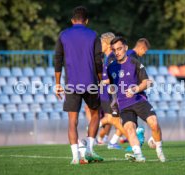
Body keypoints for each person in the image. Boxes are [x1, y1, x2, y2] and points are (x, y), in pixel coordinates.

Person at [54, 6, 103, 165]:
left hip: (71, 84)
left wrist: (57, 84)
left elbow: (58, 60)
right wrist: (101, 80)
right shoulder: (93, 35)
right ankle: (89, 149)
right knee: (95, 115)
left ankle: (75, 157)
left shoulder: (63, 35)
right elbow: (98, 60)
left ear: (72, 20)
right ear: (86, 21)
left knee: (72, 121)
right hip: (91, 83)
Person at [106, 36, 166, 162]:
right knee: (129, 128)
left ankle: (159, 149)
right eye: (114, 50)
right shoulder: (111, 67)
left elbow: (146, 82)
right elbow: (108, 84)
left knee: (154, 123)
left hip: (139, 100)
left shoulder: (135, 62)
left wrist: (135, 89)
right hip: (123, 105)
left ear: (126, 48)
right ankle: (138, 155)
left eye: (119, 49)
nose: (117, 52)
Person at [97, 32, 128, 149]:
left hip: (110, 95)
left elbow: (112, 78)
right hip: (108, 94)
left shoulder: (111, 58)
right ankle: (132, 140)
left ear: (107, 44)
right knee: (115, 120)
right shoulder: (108, 58)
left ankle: (116, 141)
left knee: (116, 120)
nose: (100, 45)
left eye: (101, 42)